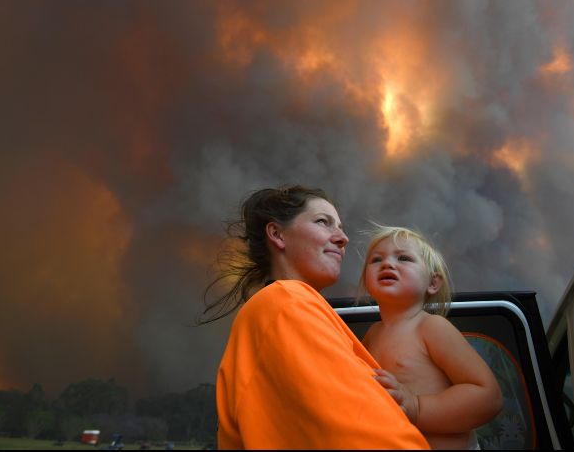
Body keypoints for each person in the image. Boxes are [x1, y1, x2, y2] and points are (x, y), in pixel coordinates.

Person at [202, 185, 429, 449]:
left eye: (341, 227)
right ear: (277, 234)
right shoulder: (286, 303)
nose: (343, 238)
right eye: (324, 222)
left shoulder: (282, 306)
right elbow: (361, 435)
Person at [359, 224, 503, 450]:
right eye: (376, 260)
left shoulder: (431, 327)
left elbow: (488, 396)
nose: (387, 263)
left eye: (404, 258)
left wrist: (417, 407)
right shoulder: (372, 334)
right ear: (366, 280)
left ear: (433, 283)